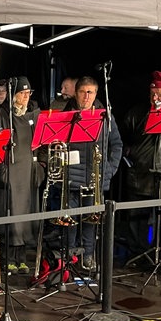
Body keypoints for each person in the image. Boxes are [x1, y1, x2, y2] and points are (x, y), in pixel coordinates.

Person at [56, 76, 122, 270]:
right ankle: (69, 257)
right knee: (69, 222)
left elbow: (116, 144)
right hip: (70, 178)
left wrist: (109, 169)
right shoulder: (65, 115)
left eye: (90, 92)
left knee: (91, 223)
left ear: (96, 94)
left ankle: (88, 256)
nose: (86, 96)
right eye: (83, 92)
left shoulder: (105, 116)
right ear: (76, 93)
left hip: (95, 178)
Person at [0, 77, 42, 274]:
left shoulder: (33, 114)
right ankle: (8, 257)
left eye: (28, 93)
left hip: (28, 171)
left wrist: (41, 167)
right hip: (11, 171)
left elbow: (42, 142)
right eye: (22, 93)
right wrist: (2, 172)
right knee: (11, 214)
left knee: (26, 215)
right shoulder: (1, 114)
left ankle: (21, 257)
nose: (25, 97)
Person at [120, 71, 161, 260]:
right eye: (153, 94)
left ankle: (157, 255)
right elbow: (120, 137)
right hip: (139, 174)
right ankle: (138, 255)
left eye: (160, 94)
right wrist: (129, 152)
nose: (155, 98)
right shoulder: (137, 113)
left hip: (160, 177)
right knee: (137, 219)